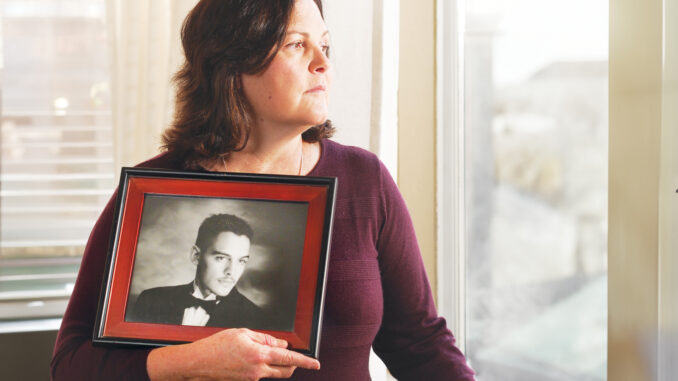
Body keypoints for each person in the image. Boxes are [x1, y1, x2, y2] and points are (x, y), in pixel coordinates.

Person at [51, 0, 477, 380]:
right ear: (233, 63)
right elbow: (70, 364)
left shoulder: (366, 179)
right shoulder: (150, 189)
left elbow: (420, 346)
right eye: (296, 45)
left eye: (324, 46)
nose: (322, 64)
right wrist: (184, 364)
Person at [129, 213, 268, 329]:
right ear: (196, 256)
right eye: (221, 258)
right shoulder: (150, 300)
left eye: (241, 261)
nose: (231, 271)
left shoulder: (257, 319)